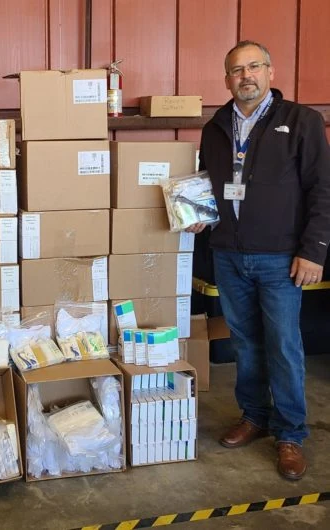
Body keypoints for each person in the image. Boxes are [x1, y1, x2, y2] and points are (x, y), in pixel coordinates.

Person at [188, 41, 330, 480]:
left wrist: (314, 251)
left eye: (253, 67)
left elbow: (322, 190)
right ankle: (254, 416)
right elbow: (210, 182)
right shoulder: (215, 126)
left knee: (284, 346)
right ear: (226, 79)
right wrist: (197, 212)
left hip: (281, 257)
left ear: (270, 71)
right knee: (246, 344)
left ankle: (290, 434)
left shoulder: (301, 122)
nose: (245, 75)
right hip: (229, 254)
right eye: (236, 70)